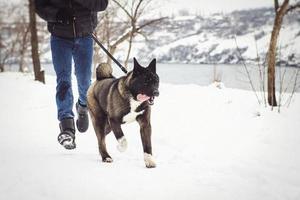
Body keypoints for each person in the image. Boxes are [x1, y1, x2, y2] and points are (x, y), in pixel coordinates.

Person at [35, 0, 108, 150]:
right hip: (59, 37)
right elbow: (40, 6)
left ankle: (82, 107)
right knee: (63, 82)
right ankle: (67, 126)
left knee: (84, 80)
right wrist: (57, 15)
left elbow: (102, 4)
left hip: (85, 36)